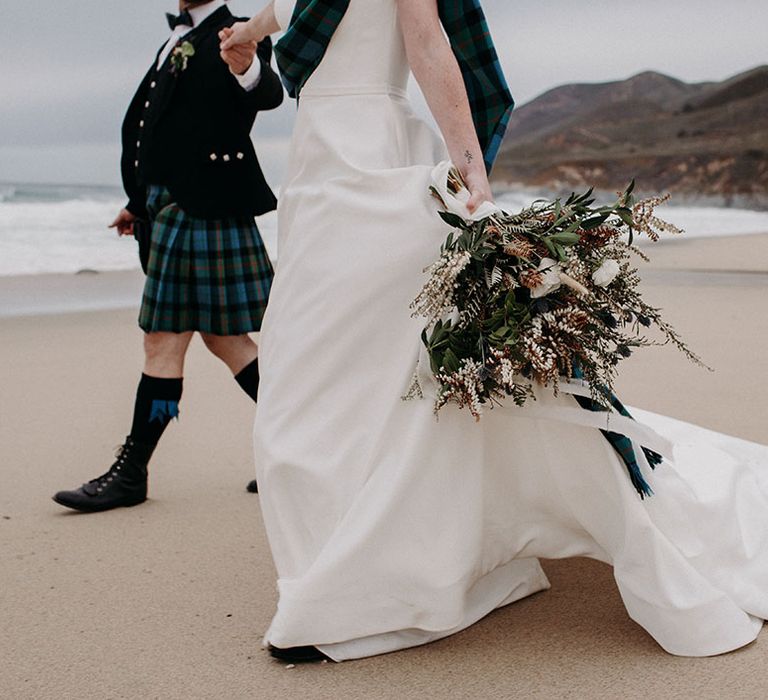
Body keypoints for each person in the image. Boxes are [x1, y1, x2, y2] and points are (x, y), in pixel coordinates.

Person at [221, 0, 768, 663]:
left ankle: (355, 590)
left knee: (366, 371)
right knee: (313, 374)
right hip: (317, 170)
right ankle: (365, 568)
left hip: (374, 159)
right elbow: (275, 14)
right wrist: (243, 40)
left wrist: (470, 169)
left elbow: (427, 42)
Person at [52, 0, 283, 513]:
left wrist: (245, 66)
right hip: (168, 208)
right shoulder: (173, 43)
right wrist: (140, 203)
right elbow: (154, 131)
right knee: (227, 341)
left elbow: (268, 92)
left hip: (201, 207)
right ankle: (305, 451)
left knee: (162, 340)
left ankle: (131, 472)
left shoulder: (236, 32)